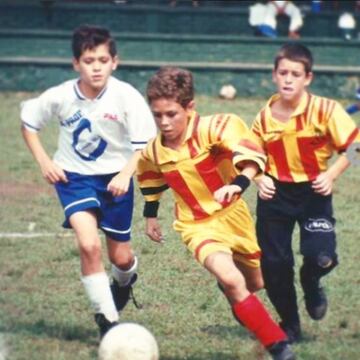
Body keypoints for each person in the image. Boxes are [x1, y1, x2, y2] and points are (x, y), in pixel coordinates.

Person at [137, 66, 295, 360]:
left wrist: (237, 185)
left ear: (190, 107)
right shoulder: (153, 151)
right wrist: (150, 216)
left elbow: (252, 154)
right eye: (157, 115)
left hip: (234, 217)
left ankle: (235, 296)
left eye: (171, 114)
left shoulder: (217, 127)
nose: (164, 122)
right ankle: (279, 346)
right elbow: (150, 177)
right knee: (234, 280)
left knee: (257, 283)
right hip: (196, 226)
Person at [20, 24, 157, 338]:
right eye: (88, 61)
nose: (96, 67)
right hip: (74, 178)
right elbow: (28, 123)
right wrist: (44, 161)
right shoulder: (60, 96)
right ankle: (108, 322)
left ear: (114, 62)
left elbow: (146, 145)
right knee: (88, 244)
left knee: (121, 258)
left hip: (115, 180)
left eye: (102, 60)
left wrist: (125, 174)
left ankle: (124, 281)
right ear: (75, 64)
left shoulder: (126, 97)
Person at [251, 43, 360, 344]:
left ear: (307, 78)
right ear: (274, 75)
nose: (288, 79)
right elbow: (250, 157)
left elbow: (356, 145)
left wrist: (331, 174)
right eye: (283, 73)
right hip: (275, 195)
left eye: (295, 74)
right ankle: (290, 324)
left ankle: (311, 280)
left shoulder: (326, 110)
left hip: (314, 191)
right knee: (274, 265)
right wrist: (260, 179)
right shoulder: (263, 118)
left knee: (323, 256)